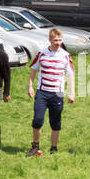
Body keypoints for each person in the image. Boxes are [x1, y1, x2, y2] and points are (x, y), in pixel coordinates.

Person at [27, 27, 75, 156]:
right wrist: (30, 86)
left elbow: (70, 75)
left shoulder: (65, 55)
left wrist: (72, 93)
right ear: (49, 40)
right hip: (42, 92)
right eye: (55, 40)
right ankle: (35, 146)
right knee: (37, 120)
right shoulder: (42, 54)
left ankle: (54, 148)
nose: (58, 42)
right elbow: (33, 69)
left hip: (57, 94)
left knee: (55, 121)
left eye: (60, 40)